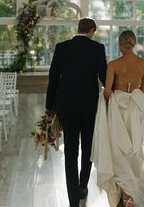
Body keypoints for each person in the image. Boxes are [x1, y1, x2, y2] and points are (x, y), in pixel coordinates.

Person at [45, 17, 107, 207]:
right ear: (92, 31)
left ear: (78, 29)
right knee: (87, 149)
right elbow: (104, 77)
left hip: (66, 107)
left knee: (70, 152)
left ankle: (73, 199)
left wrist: (49, 108)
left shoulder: (62, 47)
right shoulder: (97, 49)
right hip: (89, 108)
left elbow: (53, 79)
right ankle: (82, 187)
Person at [91, 30, 144, 207]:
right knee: (133, 148)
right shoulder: (142, 63)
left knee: (117, 149)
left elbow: (107, 91)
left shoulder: (113, 64)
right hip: (134, 111)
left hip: (118, 112)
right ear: (134, 43)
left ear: (120, 44)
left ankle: (122, 192)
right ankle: (128, 194)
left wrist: (110, 102)